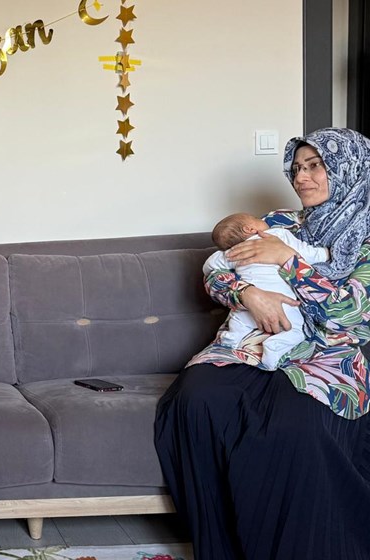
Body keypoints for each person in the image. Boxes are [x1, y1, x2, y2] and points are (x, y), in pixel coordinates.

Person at [155, 127, 370, 560]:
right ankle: (223, 550)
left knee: (295, 424)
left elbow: (353, 315)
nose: (301, 178)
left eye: (315, 166)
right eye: (296, 168)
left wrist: (288, 262)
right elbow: (218, 272)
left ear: (348, 170)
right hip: (249, 344)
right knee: (195, 399)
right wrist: (249, 294)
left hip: (326, 355)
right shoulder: (277, 222)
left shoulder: (364, 240)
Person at [206, 212, 329, 370]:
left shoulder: (235, 252)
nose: (264, 221)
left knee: (239, 320)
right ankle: (274, 347)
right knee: (298, 330)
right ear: (249, 228)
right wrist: (326, 253)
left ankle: (231, 337)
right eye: (257, 219)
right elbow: (308, 254)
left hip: (248, 309)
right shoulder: (277, 234)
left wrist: (227, 255)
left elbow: (210, 265)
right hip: (282, 302)